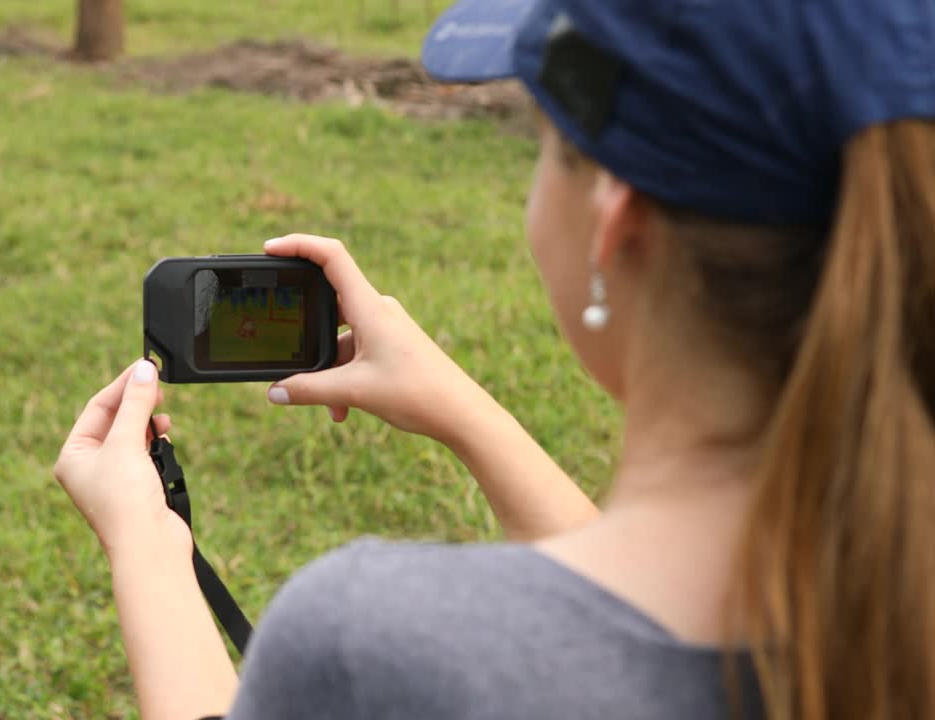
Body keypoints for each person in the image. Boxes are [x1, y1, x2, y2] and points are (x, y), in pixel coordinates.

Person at [52, 0, 935, 717]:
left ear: (613, 223)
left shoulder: (378, 646)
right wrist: (464, 412)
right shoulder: (886, 601)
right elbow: (628, 631)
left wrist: (148, 545)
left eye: (545, 145)